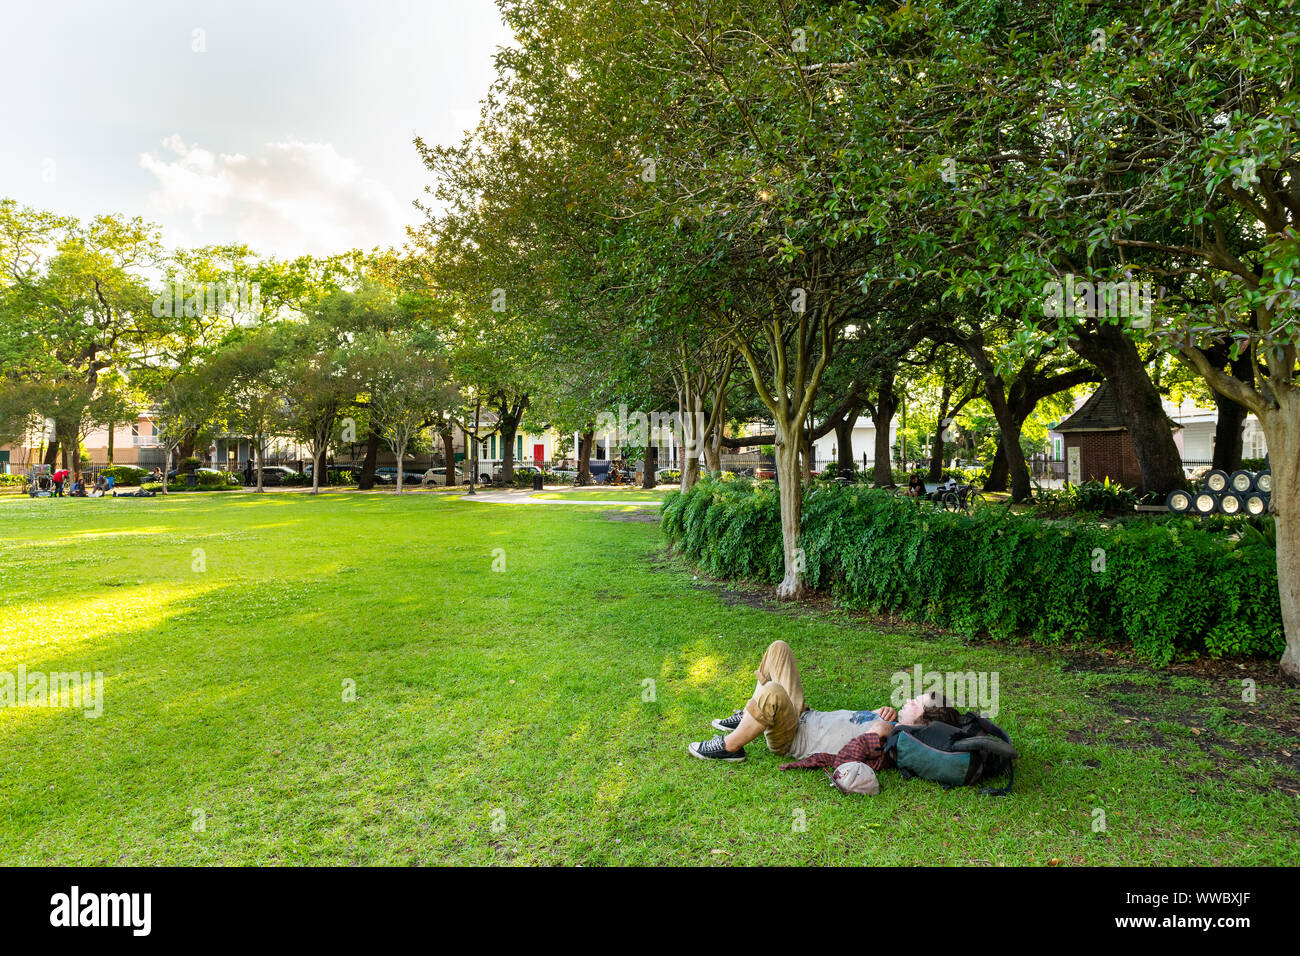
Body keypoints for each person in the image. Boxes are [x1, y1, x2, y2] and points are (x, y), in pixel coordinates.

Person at [687, 639, 958, 763]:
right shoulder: (889, 720)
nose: (908, 700)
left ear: (923, 721)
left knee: (772, 691)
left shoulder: (892, 740)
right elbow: (849, 723)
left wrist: (879, 733)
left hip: (792, 736)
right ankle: (752, 717)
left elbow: (851, 755)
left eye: (916, 703)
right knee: (779, 649)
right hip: (803, 715)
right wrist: (872, 713)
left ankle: (730, 747)